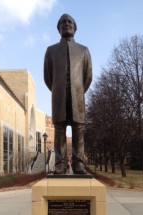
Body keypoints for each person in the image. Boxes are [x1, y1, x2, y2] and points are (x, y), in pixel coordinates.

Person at [44, 13, 92, 174]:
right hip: (59, 96)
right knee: (59, 130)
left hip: (77, 96)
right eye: (63, 22)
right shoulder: (51, 50)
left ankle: (78, 163)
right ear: (58, 28)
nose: (67, 24)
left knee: (78, 129)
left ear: (75, 27)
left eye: (70, 21)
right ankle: (60, 163)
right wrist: (58, 90)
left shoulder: (83, 50)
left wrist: (78, 92)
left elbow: (88, 76)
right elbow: (47, 76)